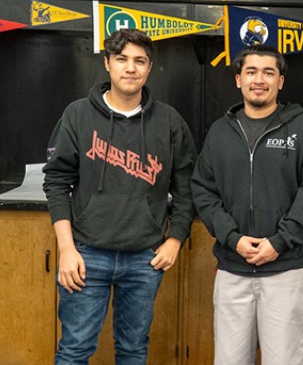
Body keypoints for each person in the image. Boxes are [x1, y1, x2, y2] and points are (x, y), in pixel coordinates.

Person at [43, 28, 197, 364]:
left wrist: (175, 240)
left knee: (132, 350)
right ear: (108, 64)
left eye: (140, 61)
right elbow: (56, 182)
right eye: (122, 59)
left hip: (144, 257)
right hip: (86, 256)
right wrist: (67, 250)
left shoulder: (170, 122)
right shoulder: (78, 115)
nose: (131, 68)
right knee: (74, 350)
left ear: (150, 67)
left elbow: (186, 189)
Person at [190, 44, 303, 365]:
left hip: (287, 269)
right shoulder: (220, 132)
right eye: (251, 72)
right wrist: (233, 238)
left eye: (269, 72)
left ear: (280, 81)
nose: (259, 80)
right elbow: (203, 191)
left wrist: (279, 242)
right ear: (237, 79)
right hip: (232, 269)